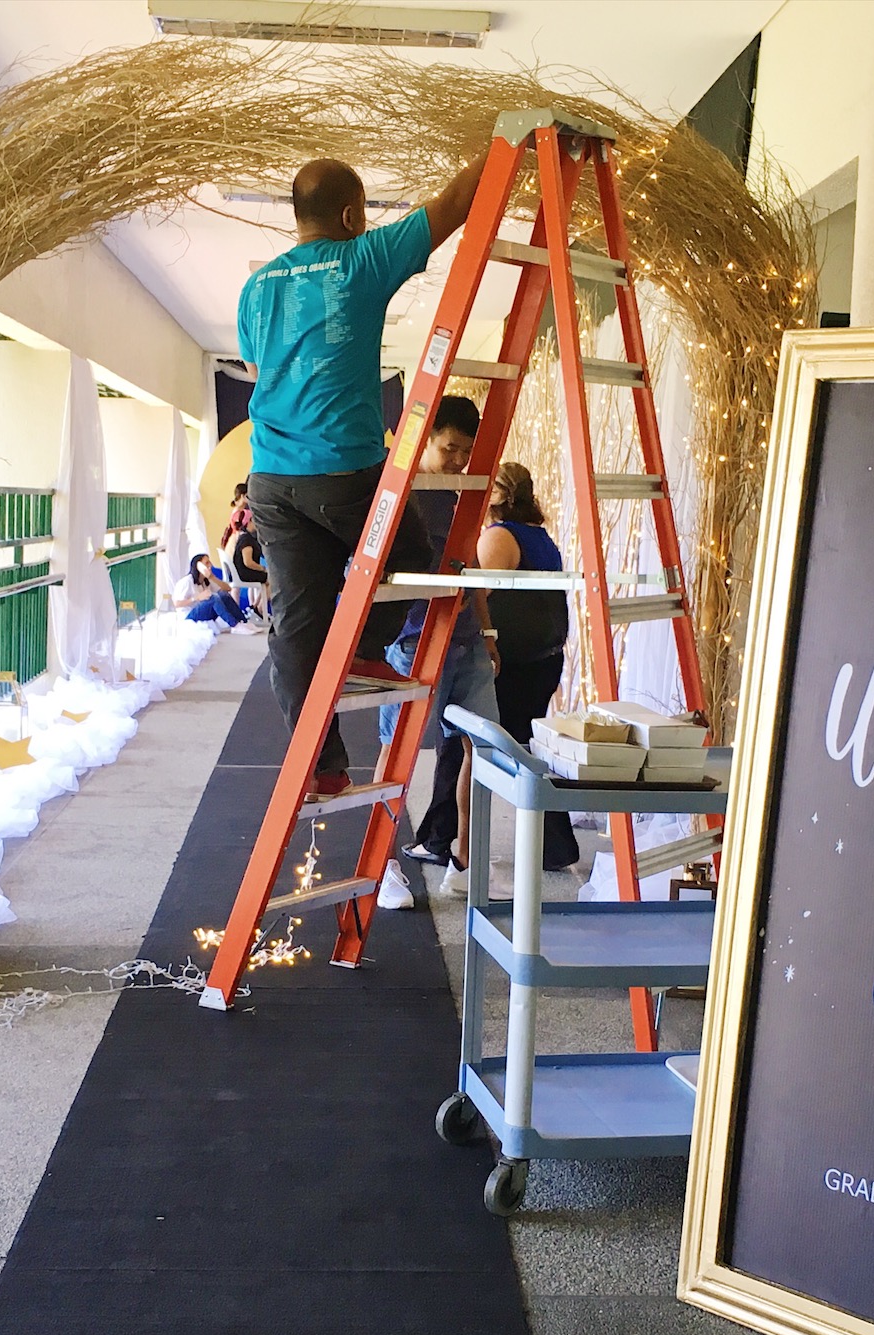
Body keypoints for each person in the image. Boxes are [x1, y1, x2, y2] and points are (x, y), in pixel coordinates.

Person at [238, 148, 488, 799]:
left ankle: (320, 762)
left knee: (295, 619)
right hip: (345, 469)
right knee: (407, 553)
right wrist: (498, 140)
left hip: (271, 477)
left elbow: (260, 373)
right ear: (351, 214)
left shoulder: (255, 287)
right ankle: (365, 646)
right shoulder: (360, 260)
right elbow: (456, 203)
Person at [373, 396, 494, 910]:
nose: (458, 461)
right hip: (414, 639)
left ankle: (465, 863)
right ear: (425, 439)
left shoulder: (465, 491)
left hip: (465, 637)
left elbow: (473, 566)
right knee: (397, 753)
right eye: (449, 449)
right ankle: (381, 866)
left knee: (484, 749)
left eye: (466, 452)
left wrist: (488, 636)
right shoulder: (402, 491)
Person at [477, 461, 578, 871]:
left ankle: (554, 843)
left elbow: (477, 592)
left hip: (512, 659)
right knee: (528, 747)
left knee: (502, 748)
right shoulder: (539, 536)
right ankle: (555, 844)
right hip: (543, 655)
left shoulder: (500, 537)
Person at [180, 553, 243, 628]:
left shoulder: (206, 580)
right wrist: (196, 598)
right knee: (213, 598)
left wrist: (212, 577)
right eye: (207, 563)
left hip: (205, 613)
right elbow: (177, 603)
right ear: (199, 566)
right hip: (189, 615)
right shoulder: (187, 581)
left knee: (223, 595)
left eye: (210, 562)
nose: (210, 565)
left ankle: (243, 622)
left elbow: (228, 589)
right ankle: (235, 625)